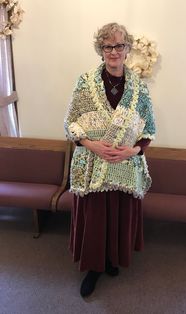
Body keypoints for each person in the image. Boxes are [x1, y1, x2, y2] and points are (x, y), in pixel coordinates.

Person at [64, 22, 156, 297]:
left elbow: (148, 131)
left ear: (127, 49)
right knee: (96, 218)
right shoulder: (85, 83)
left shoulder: (139, 88)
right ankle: (94, 267)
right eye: (107, 46)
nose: (113, 51)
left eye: (119, 45)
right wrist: (93, 145)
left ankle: (112, 259)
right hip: (93, 165)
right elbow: (71, 125)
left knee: (118, 215)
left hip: (124, 165)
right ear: (100, 50)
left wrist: (132, 151)